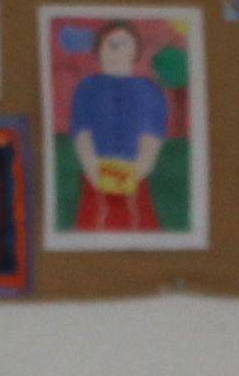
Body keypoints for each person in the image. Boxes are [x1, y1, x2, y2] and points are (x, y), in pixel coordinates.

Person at [69, 21, 168, 234]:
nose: (117, 50)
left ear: (135, 50)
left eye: (124, 44)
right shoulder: (87, 88)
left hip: (135, 177)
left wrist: (138, 170)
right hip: (95, 175)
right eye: (111, 44)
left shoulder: (149, 90)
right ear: (99, 50)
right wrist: (93, 168)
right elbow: (81, 133)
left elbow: (152, 136)